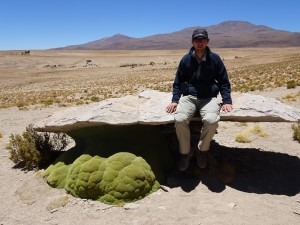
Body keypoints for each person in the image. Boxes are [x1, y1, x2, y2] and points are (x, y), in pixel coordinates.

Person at [165, 28, 233, 171]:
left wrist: (227, 101)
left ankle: (202, 150)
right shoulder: (186, 59)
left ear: (207, 41)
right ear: (192, 42)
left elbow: (224, 81)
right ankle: (185, 153)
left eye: (203, 39)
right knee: (180, 119)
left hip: (209, 97)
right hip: (189, 97)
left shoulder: (214, 59)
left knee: (212, 120)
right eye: (197, 39)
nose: (200, 42)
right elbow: (177, 82)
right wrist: (174, 100)